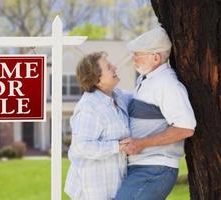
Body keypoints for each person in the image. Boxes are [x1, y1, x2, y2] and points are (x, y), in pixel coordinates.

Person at [115, 26, 197, 200]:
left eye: (138, 54)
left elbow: (186, 128)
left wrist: (142, 143)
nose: (134, 58)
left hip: (155, 168)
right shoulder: (145, 80)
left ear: (156, 57)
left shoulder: (167, 85)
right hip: (141, 167)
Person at [64, 52, 130, 200]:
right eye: (108, 67)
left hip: (114, 186)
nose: (115, 67)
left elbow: (143, 96)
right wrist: (118, 147)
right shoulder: (90, 107)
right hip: (93, 190)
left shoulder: (117, 97)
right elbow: (82, 146)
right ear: (96, 80)